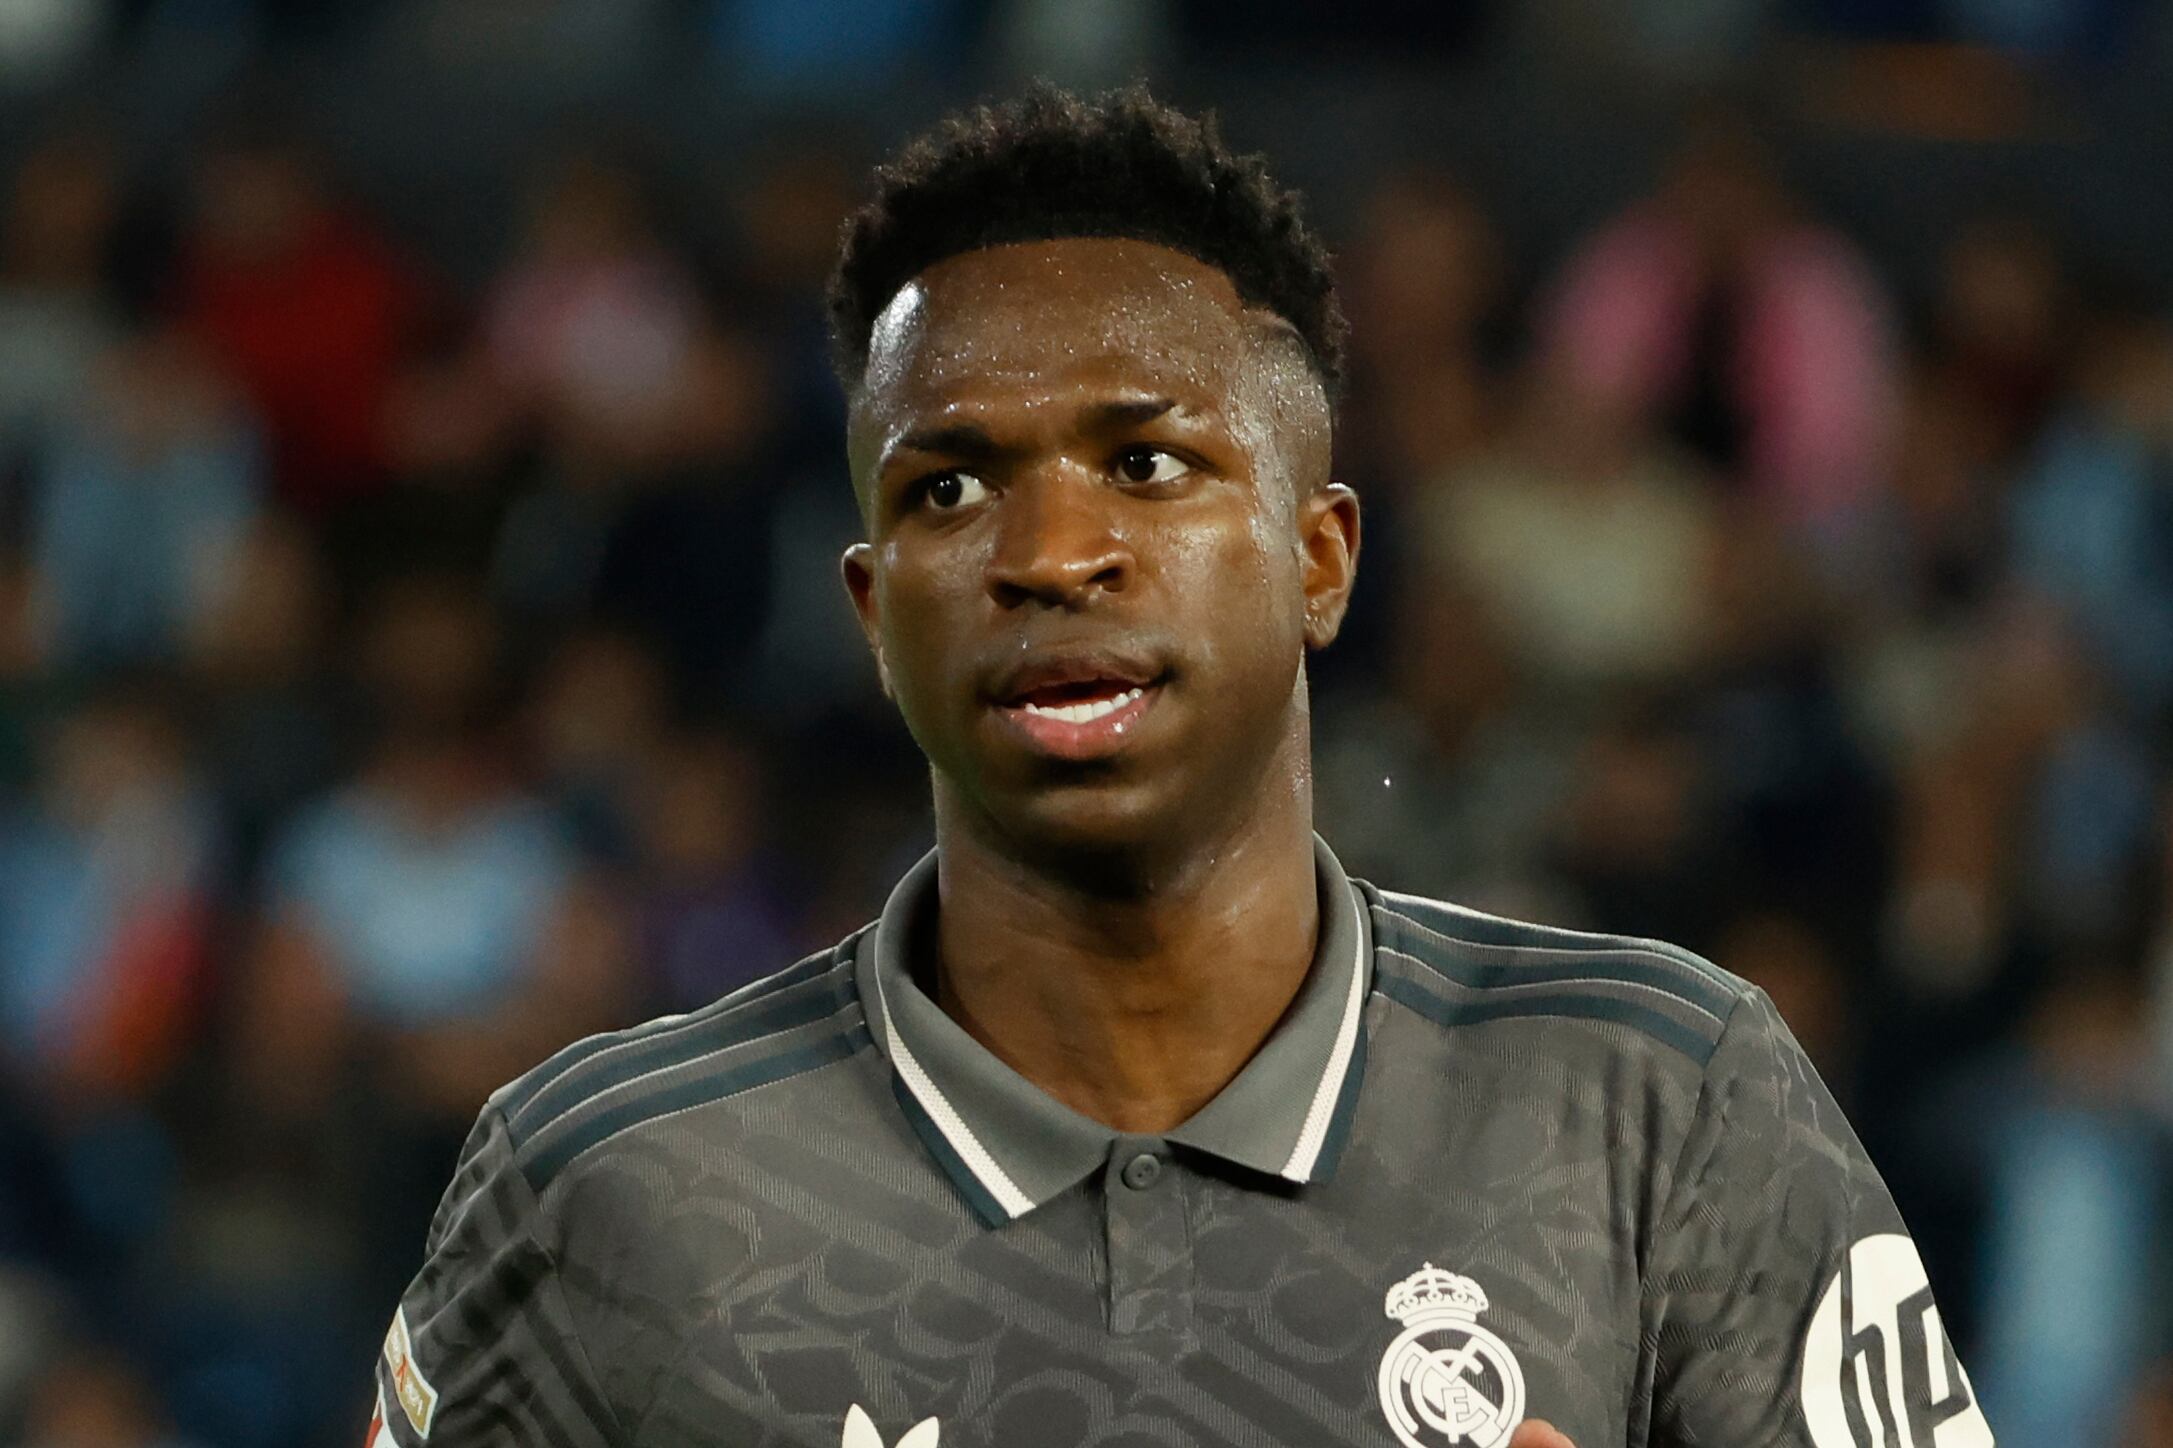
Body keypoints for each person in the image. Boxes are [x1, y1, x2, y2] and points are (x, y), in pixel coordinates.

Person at [364, 87, 1992, 1448]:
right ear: (872, 616)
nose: (1048, 552)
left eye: (1145, 463)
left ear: (1318, 561)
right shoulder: (604, 1182)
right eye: (947, 491)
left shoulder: (1657, 1096)